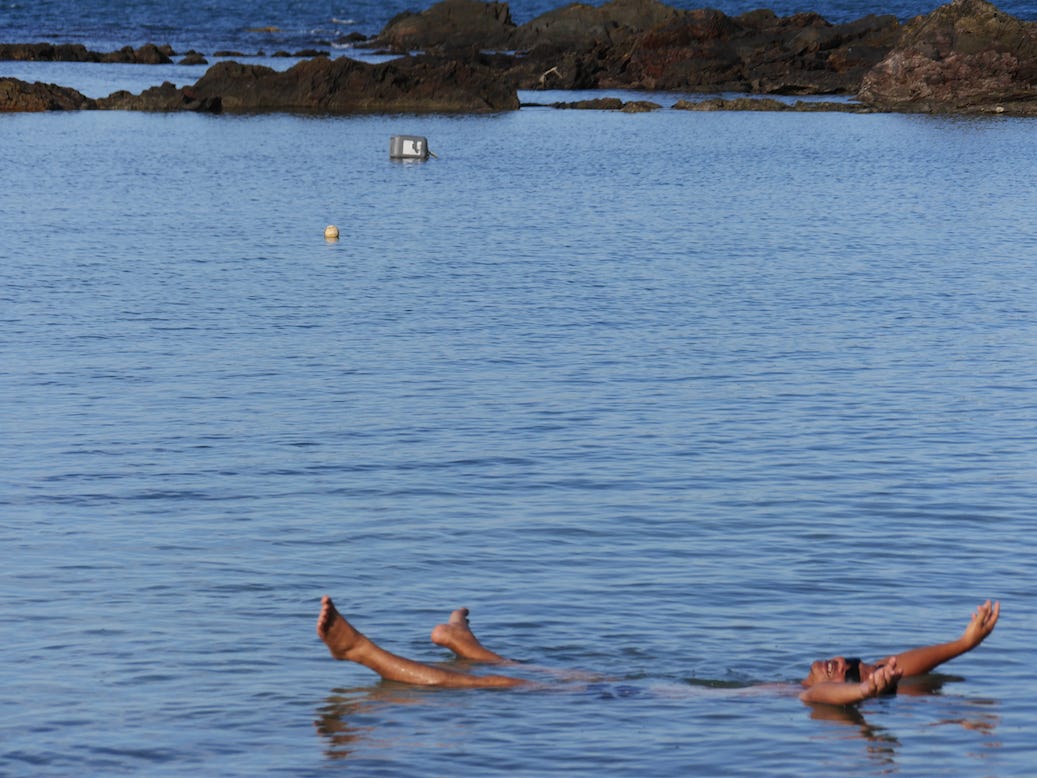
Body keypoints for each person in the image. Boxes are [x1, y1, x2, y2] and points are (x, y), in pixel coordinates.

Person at [316, 596, 1000, 704]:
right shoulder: (846, 682)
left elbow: (830, 695)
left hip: (635, 707)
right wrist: (961, 644)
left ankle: (363, 653)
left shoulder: (818, 698)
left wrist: (856, 693)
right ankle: (464, 642)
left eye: (845, 667)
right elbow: (902, 665)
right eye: (848, 659)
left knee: (496, 693)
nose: (835, 659)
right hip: (645, 691)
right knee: (536, 674)